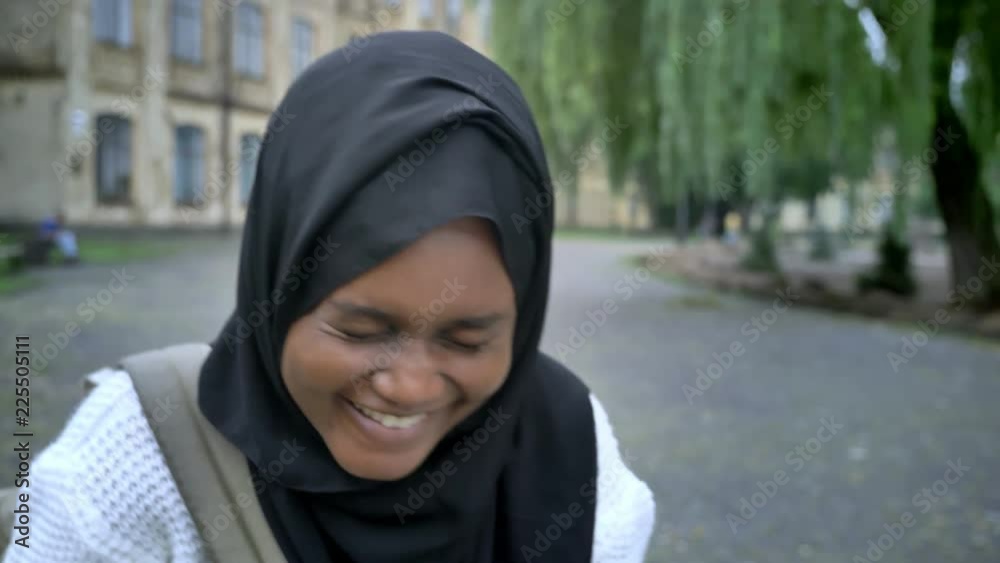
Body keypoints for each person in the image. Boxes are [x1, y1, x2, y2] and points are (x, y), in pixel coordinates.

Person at [3, 32, 655, 562]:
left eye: (465, 340)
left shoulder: (577, 452)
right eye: (361, 330)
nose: (407, 385)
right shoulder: (136, 452)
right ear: (276, 285)